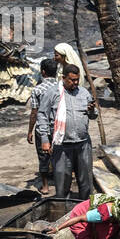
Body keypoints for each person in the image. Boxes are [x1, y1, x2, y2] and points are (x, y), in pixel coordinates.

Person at [38, 65, 98, 199]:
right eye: (72, 80)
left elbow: (94, 116)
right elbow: (42, 115)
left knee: (86, 182)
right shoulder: (52, 93)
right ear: (63, 78)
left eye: (77, 80)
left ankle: (85, 211)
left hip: (83, 144)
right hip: (62, 146)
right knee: (62, 182)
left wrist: (91, 111)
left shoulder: (83, 93)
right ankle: (63, 212)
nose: (75, 83)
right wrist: (44, 139)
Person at [26, 57, 60, 195]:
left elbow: (34, 112)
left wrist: (29, 130)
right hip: (59, 127)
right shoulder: (61, 87)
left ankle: (45, 186)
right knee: (59, 156)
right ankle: (61, 184)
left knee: (43, 157)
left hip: (42, 128)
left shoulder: (37, 90)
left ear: (43, 72)